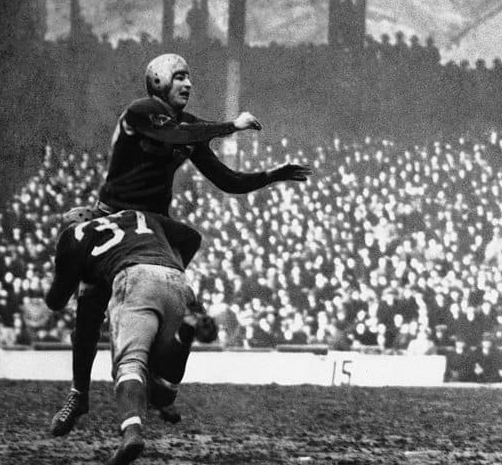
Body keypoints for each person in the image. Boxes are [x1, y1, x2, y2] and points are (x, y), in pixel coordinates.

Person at [49, 53, 313, 437]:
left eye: (189, 77)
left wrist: (273, 175)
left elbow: (227, 180)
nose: (187, 84)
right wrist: (230, 126)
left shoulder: (188, 127)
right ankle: (79, 394)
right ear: (157, 82)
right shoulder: (141, 112)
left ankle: (155, 375)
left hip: (154, 227)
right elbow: (173, 136)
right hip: (115, 216)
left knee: (183, 259)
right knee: (89, 306)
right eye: (178, 78)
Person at [44, 208, 215, 465]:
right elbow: (192, 237)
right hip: (175, 278)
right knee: (159, 375)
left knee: (129, 364)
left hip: (134, 279)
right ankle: (184, 335)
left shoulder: (75, 234)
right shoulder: (139, 216)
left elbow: (55, 301)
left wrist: (76, 273)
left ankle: (131, 433)